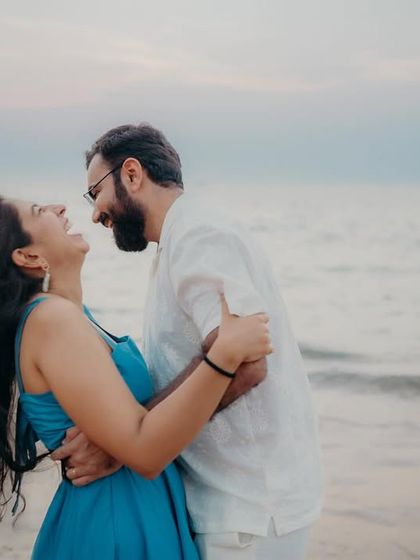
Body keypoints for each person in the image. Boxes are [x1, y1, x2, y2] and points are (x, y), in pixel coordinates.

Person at [55, 123, 324, 559]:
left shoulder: (198, 233)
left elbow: (245, 361)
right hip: (234, 504)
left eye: (94, 193)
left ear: (132, 173)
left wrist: (126, 441)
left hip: (247, 510)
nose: (94, 214)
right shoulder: (183, 236)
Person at [0, 196, 272, 559]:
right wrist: (225, 354)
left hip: (133, 507)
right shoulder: (51, 320)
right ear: (29, 256)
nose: (59, 208)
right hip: (114, 522)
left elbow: (128, 429)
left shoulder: (71, 315)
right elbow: (144, 450)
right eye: (39, 212)